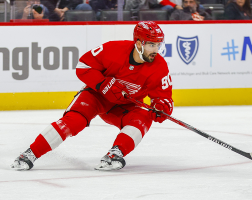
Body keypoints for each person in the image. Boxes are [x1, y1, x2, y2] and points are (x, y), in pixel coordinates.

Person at [11, 21, 174, 171]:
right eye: (151, 44)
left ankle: (115, 155)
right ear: (139, 43)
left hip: (125, 106)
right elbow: (83, 66)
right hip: (97, 96)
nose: (155, 50)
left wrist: (161, 107)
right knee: (75, 121)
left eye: (158, 44)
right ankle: (29, 154)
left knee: (143, 116)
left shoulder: (159, 66)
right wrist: (103, 84)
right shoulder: (113, 50)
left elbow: (163, 96)